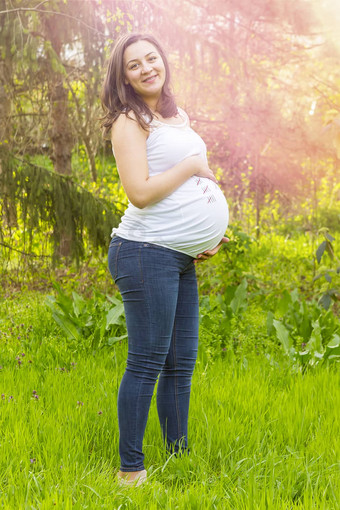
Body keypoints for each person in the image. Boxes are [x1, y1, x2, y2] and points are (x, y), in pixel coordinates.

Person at [101, 33, 229, 486]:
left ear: (164, 61)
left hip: (177, 255)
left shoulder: (177, 117)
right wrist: (193, 167)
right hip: (142, 253)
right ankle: (130, 470)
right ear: (124, 76)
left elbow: (185, 193)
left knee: (181, 364)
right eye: (133, 64)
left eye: (152, 58)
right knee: (147, 362)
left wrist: (206, 233)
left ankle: (180, 456)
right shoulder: (128, 122)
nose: (146, 68)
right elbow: (139, 191)